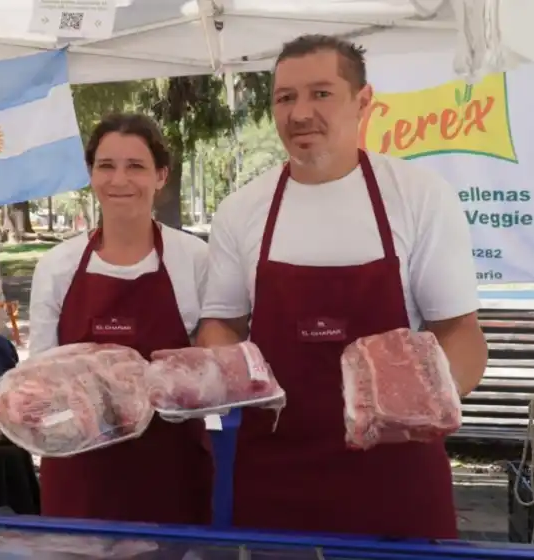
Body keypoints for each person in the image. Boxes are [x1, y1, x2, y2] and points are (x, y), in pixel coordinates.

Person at [197, 34, 487, 539]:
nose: (300, 112)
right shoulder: (241, 210)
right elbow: (221, 322)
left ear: (364, 102)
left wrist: (416, 402)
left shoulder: (419, 197)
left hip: (398, 476)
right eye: (285, 97)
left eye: (321, 93)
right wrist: (224, 377)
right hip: (274, 473)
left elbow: (460, 332)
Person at [28, 113, 214, 524]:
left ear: (161, 176)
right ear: (91, 175)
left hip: (170, 467)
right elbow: (40, 376)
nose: (119, 180)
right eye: (106, 166)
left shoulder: (194, 259)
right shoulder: (58, 266)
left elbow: (212, 365)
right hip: (80, 469)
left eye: (136, 166)